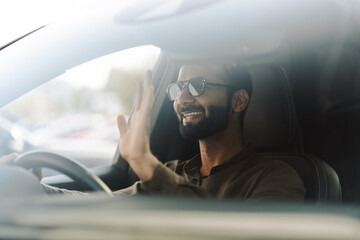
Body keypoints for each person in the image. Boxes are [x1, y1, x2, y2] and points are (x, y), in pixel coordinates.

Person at [0, 64, 306, 201]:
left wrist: (146, 165)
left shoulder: (276, 178)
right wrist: (30, 189)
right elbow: (104, 207)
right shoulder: (172, 172)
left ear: (238, 100)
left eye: (198, 86)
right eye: (179, 88)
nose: (184, 99)